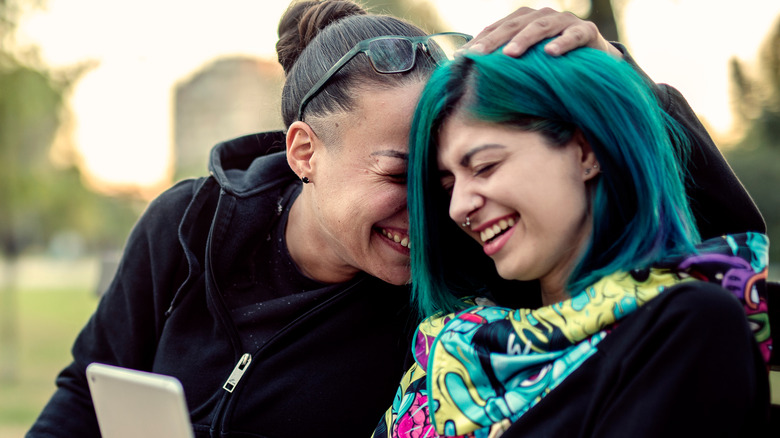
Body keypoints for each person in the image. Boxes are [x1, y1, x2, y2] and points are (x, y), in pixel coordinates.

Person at [27, 1, 765, 437]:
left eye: (458, 172)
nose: (442, 208)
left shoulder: (462, 272)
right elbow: (83, 392)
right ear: (304, 152)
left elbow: (725, 271)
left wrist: (625, 90)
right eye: (404, 175)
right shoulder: (189, 224)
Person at [373, 40, 771, 437]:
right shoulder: (454, 345)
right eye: (448, 186)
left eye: (485, 166)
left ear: (586, 151)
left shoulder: (683, 327)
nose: (459, 206)